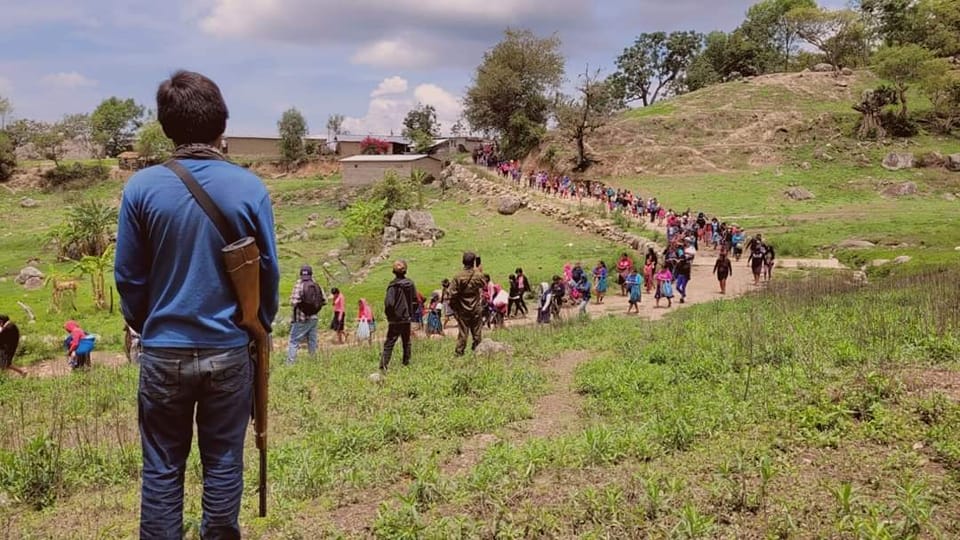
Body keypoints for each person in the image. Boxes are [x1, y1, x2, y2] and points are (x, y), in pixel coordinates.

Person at [114, 70, 280, 539]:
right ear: (221, 124)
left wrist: (150, 325)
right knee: (224, 460)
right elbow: (268, 273)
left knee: (163, 467)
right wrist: (257, 325)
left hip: (163, 351)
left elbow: (128, 277)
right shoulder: (249, 188)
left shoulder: (141, 189)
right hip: (229, 350)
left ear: (166, 128)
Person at [380, 261, 417, 370]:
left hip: (395, 320)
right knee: (406, 342)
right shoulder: (410, 284)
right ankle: (406, 363)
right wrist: (410, 313)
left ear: (393, 272)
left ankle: (383, 366)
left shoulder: (393, 286)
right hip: (406, 318)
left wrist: (390, 315)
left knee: (389, 343)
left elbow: (389, 303)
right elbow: (415, 301)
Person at [448, 251, 486, 356]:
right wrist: (480, 271)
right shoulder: (478, 275)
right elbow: (484, 285)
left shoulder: (458, 277)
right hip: (476, 308)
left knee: (463, 333)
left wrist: (454, 307)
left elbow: (452, 294)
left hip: (462, 309)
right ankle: (478, 350)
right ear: (473, 262)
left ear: (463, 261)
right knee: (477, 332)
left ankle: (459, 352)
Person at [287, 264, 324, 365]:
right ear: (311, 274)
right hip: (314, 318)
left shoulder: (299, 284)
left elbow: (293, 302)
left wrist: (303, 306)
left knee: (294, 341)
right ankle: (313, 361)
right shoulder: (316, 284)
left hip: (301, 318)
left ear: (300, 274)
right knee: (312, 340)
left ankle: (290, 364)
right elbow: (324, 301)